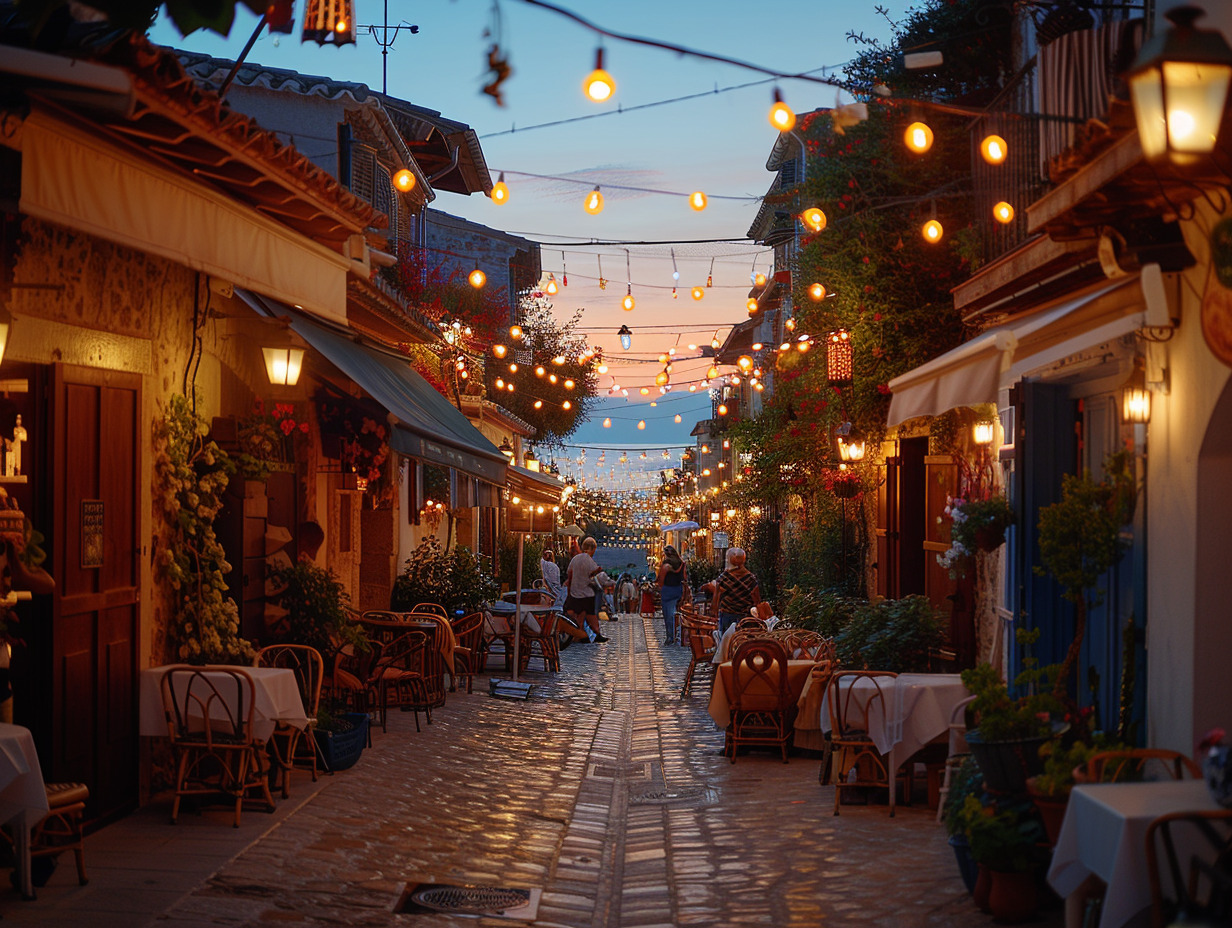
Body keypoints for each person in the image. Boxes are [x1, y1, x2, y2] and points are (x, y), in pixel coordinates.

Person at [564, 537, 608, 643]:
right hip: (586, 593)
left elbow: (569, 574)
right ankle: (595, 633)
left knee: (578, 614)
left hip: (574, 592)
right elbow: (596, 573)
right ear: (593, 549)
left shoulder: (575, 559)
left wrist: (570, 589)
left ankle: (580, 633)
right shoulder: (589, 560)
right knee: (590, 614)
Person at [712, 547, 762, 633]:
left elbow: (716, 599)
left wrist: (714, 614)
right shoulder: (750, 578)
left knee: (727, 642)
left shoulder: (724, 578)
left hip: (727, 616)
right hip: (745, 617)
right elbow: (757, 600)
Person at [656, 545, 688, 644]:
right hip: (678, 589)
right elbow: (685, 577)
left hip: (668, 590)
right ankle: (676, 633)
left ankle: (670, 636)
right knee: (674, 612)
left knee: (668, 614)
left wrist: (660, 589)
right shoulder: (682, 564)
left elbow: (661, 579)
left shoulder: (666, 565)